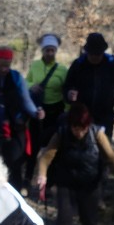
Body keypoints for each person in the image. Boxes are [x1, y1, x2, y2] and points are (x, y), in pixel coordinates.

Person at [32, 103, 114, 225]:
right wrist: (42, 175)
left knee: (89, 221)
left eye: (83, 128)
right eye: (76, 128)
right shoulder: (61, 134)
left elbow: (111, 157)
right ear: (70, 125)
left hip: (90, 185)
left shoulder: (97, 134)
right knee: (64, 221)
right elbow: (46, 157)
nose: (79, 132)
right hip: (66, 184)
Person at [0, 46, 44, 189]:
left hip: (15, 128)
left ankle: (15, 193)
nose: (4, 69)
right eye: (1, 65)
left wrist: (36, 112)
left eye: (7, 65)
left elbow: (26, 100)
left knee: (14, 164)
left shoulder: (16, 78)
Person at [62, 32, 114, 141]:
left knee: (103, 151)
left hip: (105, 116)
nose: (95, 57)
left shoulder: (112, 64)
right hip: (82, 117)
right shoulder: (78, 64)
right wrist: (69, 94)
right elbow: (66, 86)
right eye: (92, 54)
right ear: (87, 52)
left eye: (98, 54)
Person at [24, 33, 68, 188]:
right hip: (37, 110)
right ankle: (28, 179)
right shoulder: (35, 66)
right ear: (42, 51)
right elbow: (26, 82)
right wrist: (31, 86)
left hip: (55, 112)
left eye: (52, 50)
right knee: (34, 146)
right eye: (47, 50)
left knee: (52, 147)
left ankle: (49, 183)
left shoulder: (62, 70)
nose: (50, 53)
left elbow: (66, 91)